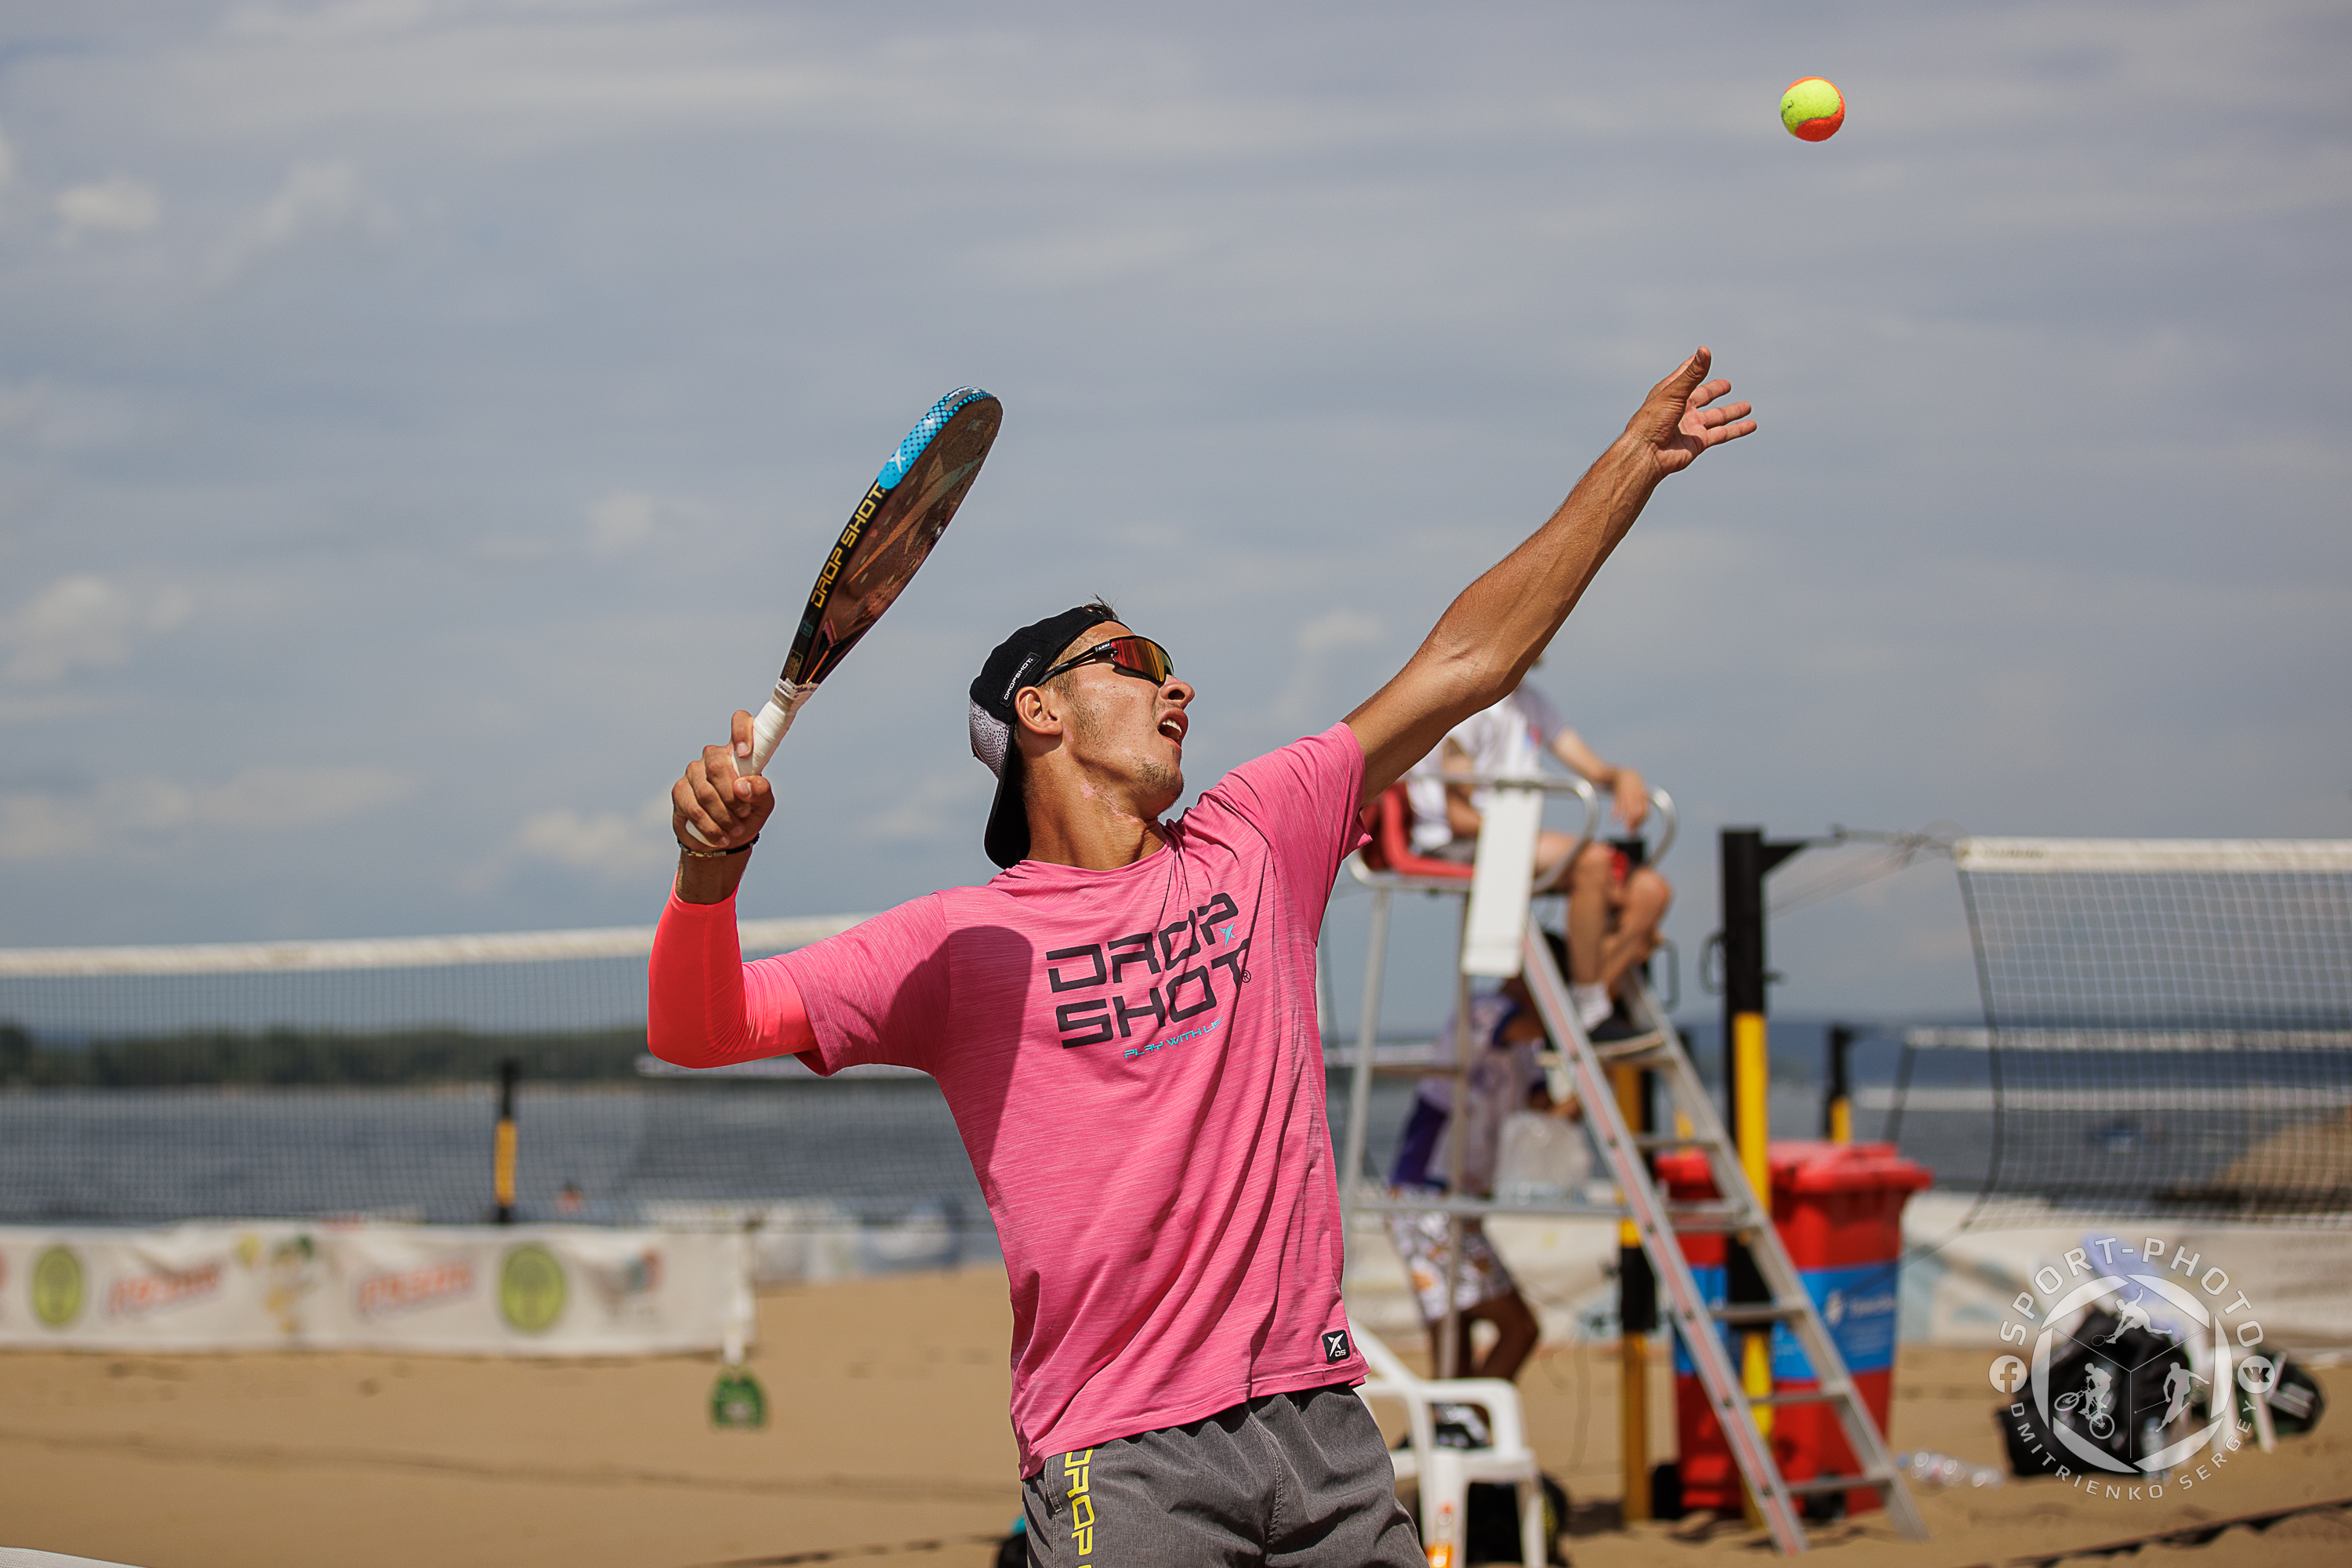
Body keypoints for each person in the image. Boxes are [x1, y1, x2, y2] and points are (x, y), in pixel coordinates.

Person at [650, 350, 1754, 1566]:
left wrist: (1629, 472)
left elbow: (1463, 665)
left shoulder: (1255, 838)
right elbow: (699, 1031)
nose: (1178, 685)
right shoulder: (963, 942)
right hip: (1120, 1464)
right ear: (1041, 712)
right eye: (1136, 660)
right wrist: (711, 876)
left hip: (1324, 1430)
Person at [1385, 932, 1588, 1399]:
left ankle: (1458, 1431)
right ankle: (1461, 1429)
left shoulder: (1525, 1048)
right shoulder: (1484, 1011)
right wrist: (1596, 1006)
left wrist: (1600, 1088)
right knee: (1488, 1326)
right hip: (1425, 1192)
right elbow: (1530, 1028)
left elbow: (1548, 1114)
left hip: (1458, 1200)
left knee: (1472, 1329)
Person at [1403, 685, 1671, 1035]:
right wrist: (1526, 835)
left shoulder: (1530, 702)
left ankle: (1579, 1003)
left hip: (1507, 833)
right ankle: (1588, 1008)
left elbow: (1594, 769)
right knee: (1593, 862)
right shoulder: (1469, 703)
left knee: (1651, 892)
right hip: (1458, 842)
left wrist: (1623, 776)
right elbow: (1461, 819)